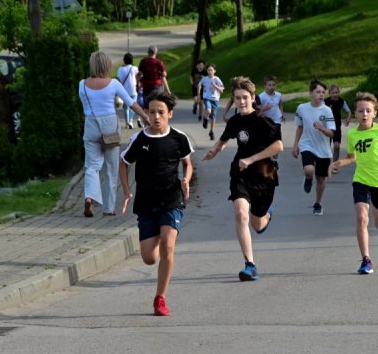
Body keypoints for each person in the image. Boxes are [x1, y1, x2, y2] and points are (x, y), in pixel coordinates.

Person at [120, 91, 193, 317]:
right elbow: (123, 163)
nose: (156, 116)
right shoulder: (139, 139)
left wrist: (186, 180)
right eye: (152, 112)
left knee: (168, 246)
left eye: (161, 112)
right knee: (149, 258)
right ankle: (160, 234)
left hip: (171, 200)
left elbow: (188, 163)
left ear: (170, 114)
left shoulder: (179, 138)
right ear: (147, 114)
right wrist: (127, 191)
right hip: (146, 202)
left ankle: (160, 298)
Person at [202, 77, 283, 282]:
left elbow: (278, 147)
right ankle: (250, 265)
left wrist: (252, 159)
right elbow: (223, 141)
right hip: (241, 174)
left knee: (257, 225)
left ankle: (267, 216)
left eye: (245, 97)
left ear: (253, 98)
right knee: (240, 214)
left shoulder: (263, 121)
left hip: (264, 175)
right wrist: (213, 151)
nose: (242, 101)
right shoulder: (235, 121)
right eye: (238, 98)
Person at [331, 92, 378, 275]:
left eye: (368, 110)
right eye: (360, 111)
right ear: (355, 114)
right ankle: (366, 260)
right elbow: (352, 158)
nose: (364, 114)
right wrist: (337, 163)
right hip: (361, 180)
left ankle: (376, 207)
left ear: (374, 113)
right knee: (361, 218)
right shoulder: (352, 135)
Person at [78, 51, 147, 217]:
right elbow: (131, 103)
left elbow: (85, 106)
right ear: (107, 65)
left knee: (92, 166)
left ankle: (89, 197)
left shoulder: (82, 84)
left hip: (91, 124)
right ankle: (109, 208)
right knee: (111, 167)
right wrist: (145, 117)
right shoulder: (114, 84)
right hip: (110, 126)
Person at [292, 79, 335, 216]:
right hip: (307, 145)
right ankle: (309, 178)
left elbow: (331, 133)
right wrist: (295, 145)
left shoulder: (327, 111)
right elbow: (300, 127)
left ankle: (318, 203)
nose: (321, 95)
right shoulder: (302, 108)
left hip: (323, 149)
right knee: (309, 169)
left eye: (323, 92)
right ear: (311, 93)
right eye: (318, 92)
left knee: (321, 180)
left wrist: (322, 128)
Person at [324, 84, 351, 173]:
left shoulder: (341, 101)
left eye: (336, 92)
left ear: (339, 93)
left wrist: (348, 119)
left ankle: (334, 166)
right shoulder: (325, 102)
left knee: (336, 146)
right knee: (326, 147)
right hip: (327, 127)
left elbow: (349, 111)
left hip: (336, 127)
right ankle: (325, 165)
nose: (335, 94)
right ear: (329, 93)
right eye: (333, 93)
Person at [199, 64, 224, 141]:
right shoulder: (204, 79)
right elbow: (199, 85)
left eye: (211, 70)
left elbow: (222, 90)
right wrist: (198, 94)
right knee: (208, 110)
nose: (210, 71)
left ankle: (211, 131)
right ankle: (206, 119)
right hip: (207, 98)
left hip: (215, 99)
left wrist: (215, 86)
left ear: (214, 71)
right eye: (208, 70)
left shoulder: (217, 79)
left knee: (213, 117)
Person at [116, 53, 138, 129]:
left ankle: (127, 123)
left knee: (126, 107)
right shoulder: (134, 68)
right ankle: (131, 121)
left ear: (124, 60)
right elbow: (138, 76)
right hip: (133, 90)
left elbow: (119, 79)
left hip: (124, 91)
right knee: (133, 106)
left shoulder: (120, 69)